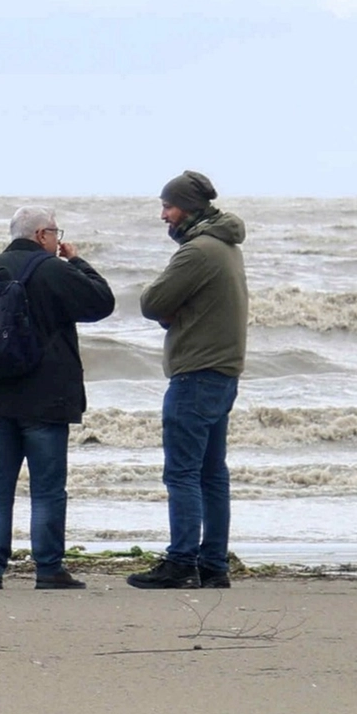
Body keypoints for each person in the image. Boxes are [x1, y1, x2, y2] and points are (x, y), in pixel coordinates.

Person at [0, 206, 115, 590]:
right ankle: (48, 568)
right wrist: (79, 262)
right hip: (46, 399)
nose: (59, 239)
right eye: (56, 233)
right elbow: (101, 303)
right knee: (47, 488)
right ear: (42, 235)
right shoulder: (54, 269)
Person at [128, 171, 248, 589]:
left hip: (195, 374)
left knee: (182, 473)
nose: (164, 215)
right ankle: (213, 564)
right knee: (212, 473)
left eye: (168, 206)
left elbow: (151, 302)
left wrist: (168, 312)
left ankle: (181, 561)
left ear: (189, 208)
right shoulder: (227, 247)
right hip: (222, 372)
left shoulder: (197, 251)